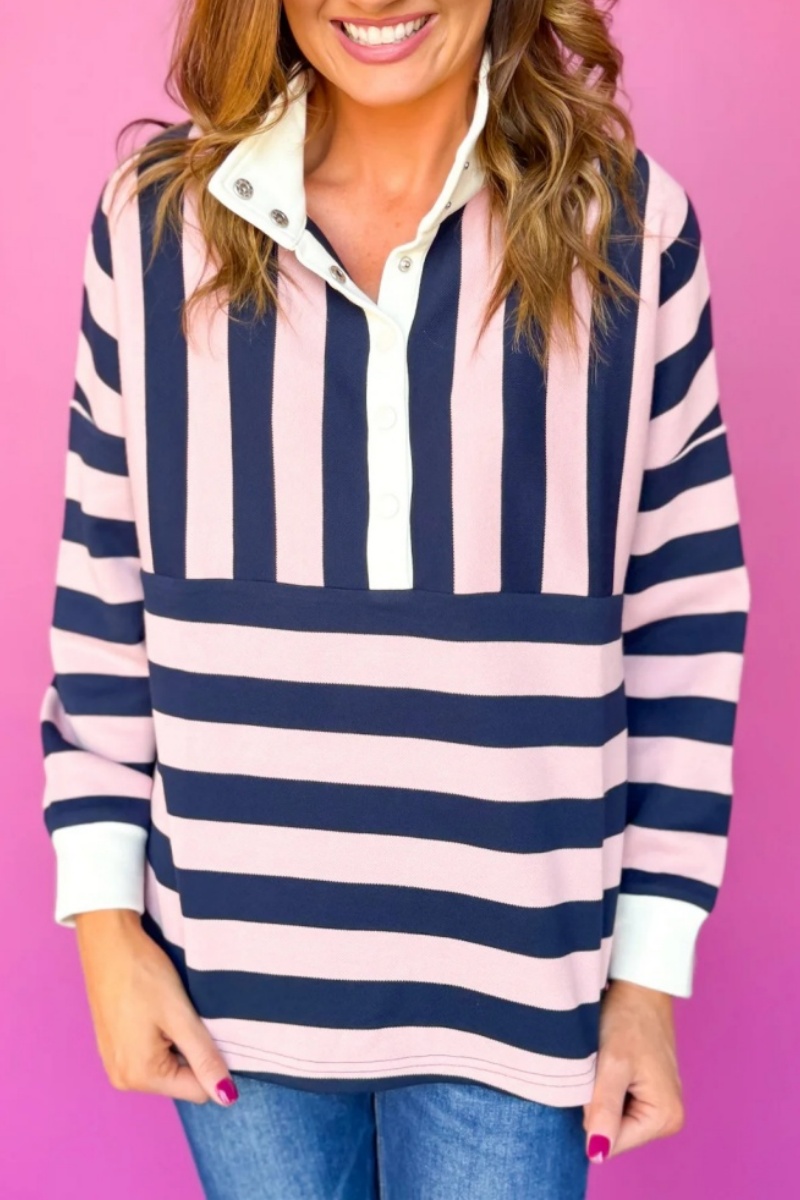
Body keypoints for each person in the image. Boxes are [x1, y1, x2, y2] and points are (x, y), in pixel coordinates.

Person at [38, 1, 751, 1197]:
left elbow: (682, 623)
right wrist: (105, 927)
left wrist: (646, 973)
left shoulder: (628, 227)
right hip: (230, 993)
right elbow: (103, 587)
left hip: (522, 986)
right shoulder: (153, 226)